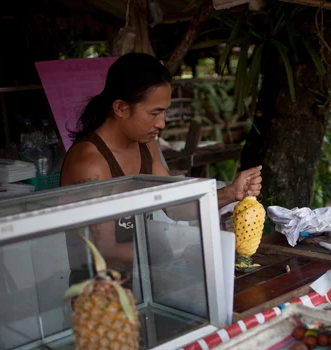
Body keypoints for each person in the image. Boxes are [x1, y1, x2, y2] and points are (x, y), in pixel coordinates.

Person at [60, 53, 262, 283]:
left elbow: (175, 207)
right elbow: (105, 251)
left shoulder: (147, 145)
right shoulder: (90, 164)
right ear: (121, 108)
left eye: (164, 112)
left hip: (144, 281)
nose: (162, 123)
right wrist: (175, 253)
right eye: (155, 113)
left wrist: (230, 193)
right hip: (102, 294)